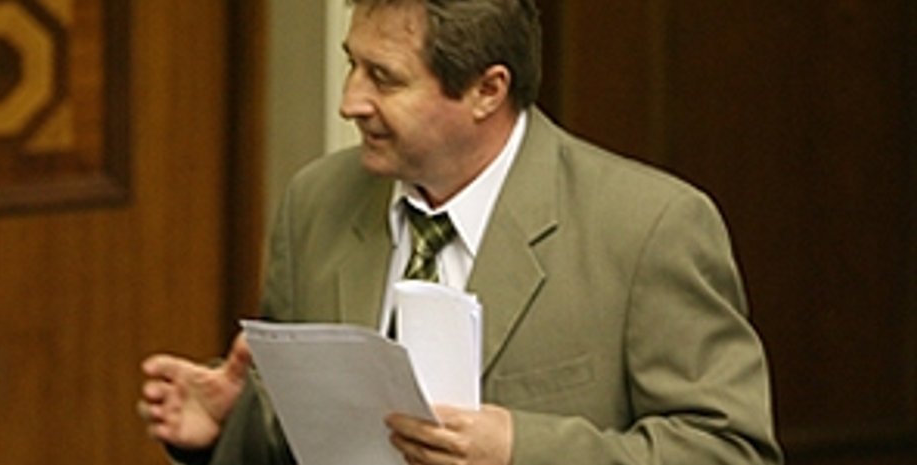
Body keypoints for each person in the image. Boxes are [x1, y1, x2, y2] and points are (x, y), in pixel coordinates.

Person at [138, 0, 783, 464]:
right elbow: (307, 436)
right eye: (352, 65)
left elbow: (729, 450)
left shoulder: (648, 228)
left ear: (487, 90)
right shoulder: (317, 202)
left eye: (384, 78)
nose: (350, 101)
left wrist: (521, 450)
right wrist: (231, 423)